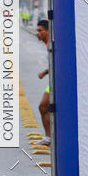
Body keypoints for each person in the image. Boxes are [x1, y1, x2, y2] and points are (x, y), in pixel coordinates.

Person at [34, 18, 51, 147]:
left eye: (40, 30)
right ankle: (48, 137)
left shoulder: (52, 43)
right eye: (37, 30)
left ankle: (51, 137)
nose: (37, 33)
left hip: (58, 83)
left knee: (44, 106)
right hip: (53, 82)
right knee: (43, 107)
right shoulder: (47, 44)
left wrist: (44, 72)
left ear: (47, 31)